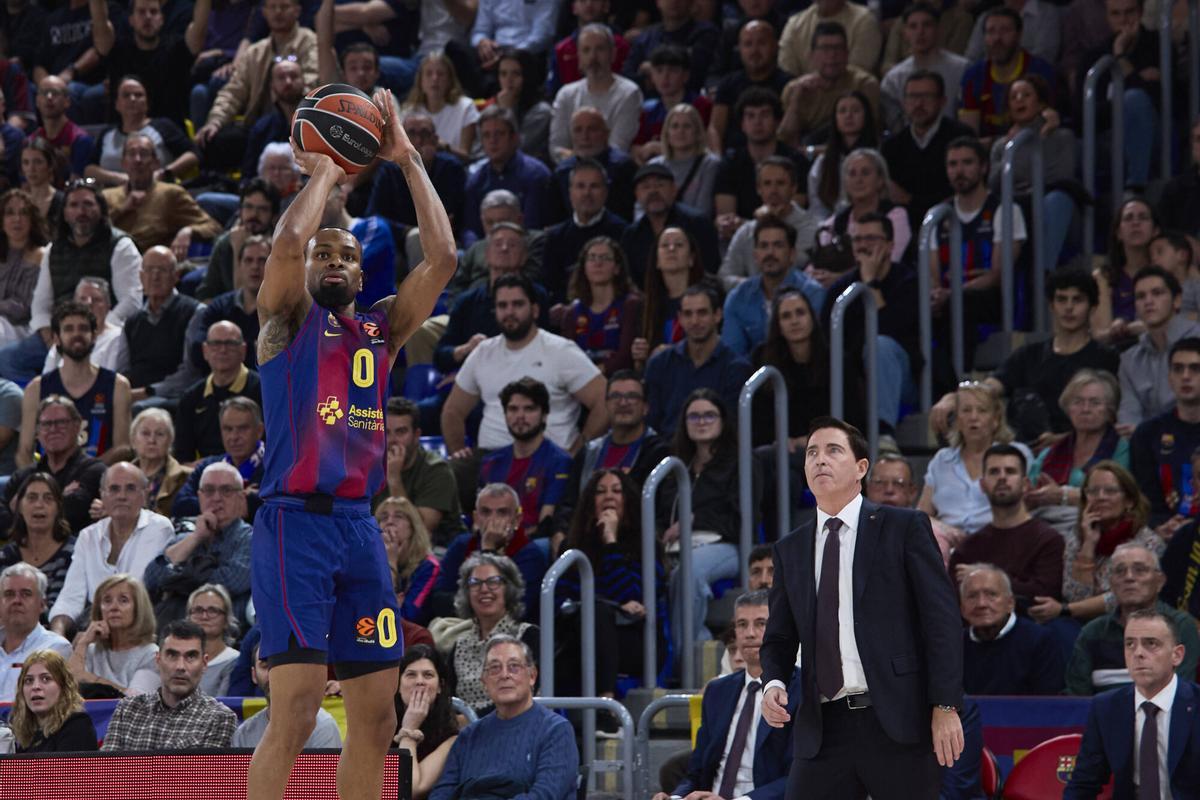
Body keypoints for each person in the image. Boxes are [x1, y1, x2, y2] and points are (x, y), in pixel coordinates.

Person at [246, 85, 456, 800]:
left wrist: (407, 158)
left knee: (375, 717)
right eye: (323, 254)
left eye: (345, 254)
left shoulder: (380, 329)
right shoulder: (283, 320)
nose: (332, 260)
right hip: (293, 526)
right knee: (297, 711)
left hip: (360, 528)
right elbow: (286, 244)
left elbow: (444, 258)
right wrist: (327, 172)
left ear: (362, 274)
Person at [760, 417, 964, 796]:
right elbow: (779, 637)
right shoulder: (790, 548)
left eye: (833, 450)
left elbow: (942, 622)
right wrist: (773, 682)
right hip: (824, 727)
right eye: (812, 453)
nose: (820, 459)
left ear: (861, 468)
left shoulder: (904, 527)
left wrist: (946, 706)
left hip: (897, 719)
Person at [930, 269, 1119, 441]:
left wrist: (1060, 440)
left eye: (1077, 300)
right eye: (1061, 299)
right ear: (1051, 306)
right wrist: (954, 397)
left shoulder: (1106, 358)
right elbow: (990, 387)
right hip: (1028, 449)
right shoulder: (1029, 354)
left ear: (1092, 308)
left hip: (1081, 445)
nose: (1068, 307)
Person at [654, 590, 797, 800]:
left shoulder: (800, 690)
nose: (750, 633)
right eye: (742, 624)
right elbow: (696, 772)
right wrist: (676, 798)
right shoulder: (717, 691)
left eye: (761, 623)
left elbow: (796, 777)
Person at [441, 274, 607, 455]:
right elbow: (452, 411)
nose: (509, 312)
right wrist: (457, 452)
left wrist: (578, 452)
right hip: (490, 459)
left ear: (535, 310)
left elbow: (604, 400)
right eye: (502, 306)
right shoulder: (483, 352)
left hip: (548, 460)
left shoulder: (562, 351)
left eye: (517, 304)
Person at [0, 179, 142, 385]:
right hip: (57, 333)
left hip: (102, 333)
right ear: (65, 213)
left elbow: (131, 301)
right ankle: (42, 397)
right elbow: (41, 303)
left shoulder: (121, 246)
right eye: (74, 205)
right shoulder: (54, 249)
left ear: (101, 209)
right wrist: (48, 332)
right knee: (6, 359)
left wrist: (97, 330)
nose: (81, 211)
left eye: (88, 204)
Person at [1066, 608, 1200, 799]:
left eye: (1151, 643)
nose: (1138, 653)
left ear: (1177, 655)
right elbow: (1084, 783)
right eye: (1130, 644)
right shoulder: (1106, 707)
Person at [429, 635, 578, 800]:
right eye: (495, 668)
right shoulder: (469, 735)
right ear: (484, 682)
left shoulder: (556, 731)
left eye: (514, 666)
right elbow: (441, 793)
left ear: (532, 676)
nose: (504, 675)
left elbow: (545, 795)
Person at [558, 468, 665, 695]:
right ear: (590, 503)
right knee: (590, 617)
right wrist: (613, 604)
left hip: (634, 638)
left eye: (616, 491)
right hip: (581, 636)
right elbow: (564, 599)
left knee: (597, 613)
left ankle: (606, 703)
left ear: (628, 501)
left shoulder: (646, 545)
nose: (608, 496)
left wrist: (610, 541)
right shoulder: (572, 547)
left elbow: (635, 596)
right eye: (600, 491)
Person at [659, 390, 751, 654]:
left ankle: (686, 658)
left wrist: (694, 520)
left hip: (728, 545)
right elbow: (661, 513)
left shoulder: (741, 462)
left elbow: (743, 518)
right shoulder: (675, 467)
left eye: (709, 415)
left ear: (723, 421)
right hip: (676, 546)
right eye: (694, 416)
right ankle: (690, 651)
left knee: (689, 570)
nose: (701, 421)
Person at [1028, 461, 1163, 627]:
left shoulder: (1147, 543)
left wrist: (1065, 609)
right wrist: (1088, 547)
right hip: (1082, 623)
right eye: (1093, 491)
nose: (1101, 497)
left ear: (1129, 501)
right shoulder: (1077, 537)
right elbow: (1075, 597)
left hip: (1130, 623)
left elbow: (1124, 597)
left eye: (1110, 491)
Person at [47, 462, 173, 636]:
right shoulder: (88, 536)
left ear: (145, 494)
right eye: (114, 489)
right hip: (94, 628)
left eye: (130, 488)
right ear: (102, 495)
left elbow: (135, 588)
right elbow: (71, 597)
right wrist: (56, 637)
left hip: (139, 631)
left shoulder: (159, 527)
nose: (121, 496)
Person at [823, 212, 922, 431]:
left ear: (890, 246)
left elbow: (889, 329)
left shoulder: (909, 282)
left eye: (871, 239)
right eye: (857, 239)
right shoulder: (839, 290)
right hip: (856, 382)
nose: (863, 246)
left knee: (879, 345)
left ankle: (883, 433)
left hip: (903, 379)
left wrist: (870, 283)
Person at [193, 0, 318, 170]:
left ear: (297, 11)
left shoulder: (310, 42)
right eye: (272, 7)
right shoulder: (256, 51)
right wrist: (215, 121)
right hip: (257, 125)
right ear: (264, 12)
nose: (278, 12)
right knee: (211, 140)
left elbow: (312, 81)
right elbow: (233, 91)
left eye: (284, 7)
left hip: (293, 123)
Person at [551, 370, 670, 543]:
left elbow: (661, 514)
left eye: (632, 396)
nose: (623, 403)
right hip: (585, 539)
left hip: (634, 542)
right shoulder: (589, 452)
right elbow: (568, 503)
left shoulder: (660, 454)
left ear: (645, 407)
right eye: (616, 396)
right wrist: (560, 532)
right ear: (606, 405)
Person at [1065, 543, 1200, 695]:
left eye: (1140, 570)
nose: (1129, 577)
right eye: (1120, 571)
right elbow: (1076, 696)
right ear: (1111, 584)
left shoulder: (1180, 626)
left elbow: (1179, 693)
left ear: (1160, 581)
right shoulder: (1093, 632)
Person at [18, 300, 132, 463]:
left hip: (99, 475)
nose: (76, 334)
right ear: (56, 338)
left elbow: (123, 448)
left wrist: (87, 472)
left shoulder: (118, 386)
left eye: (83, 328)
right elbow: (24, 451)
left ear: (94, 336)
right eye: (68, 329)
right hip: (50, 476)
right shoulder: (36, 388)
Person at [946, 444, 1065, 599]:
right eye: (994, 472)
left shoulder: (1048, 541)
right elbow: (951, 599)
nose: (1002, 477)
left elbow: (1044, 596)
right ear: (982, 485)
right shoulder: (968, 548)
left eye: (1010, 471)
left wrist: (985, 575)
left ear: (1025, 485)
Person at [144, 461, 252, 628]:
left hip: (225, 634)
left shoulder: (250, 538)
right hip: (174, 631)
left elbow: (230, 582)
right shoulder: (185, 535)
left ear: (240, 497)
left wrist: (176, 580)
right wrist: (196, 538)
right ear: (199, 497)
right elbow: (152, 577)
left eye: (226, 490)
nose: (216, 498)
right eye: (209, 490)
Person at [100, 619, 238, 749]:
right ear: (158, 660)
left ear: (204, 663)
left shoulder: (220, 718)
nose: (180, 666)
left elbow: (204, 768)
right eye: (172, 655)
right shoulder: (127, 710)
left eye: (191, 656)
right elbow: (108, 766)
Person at [918, 381, 1033, 537]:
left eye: (982, 410)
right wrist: (943, 529)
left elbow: (1029, 509)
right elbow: (922, 515)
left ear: (995, 419)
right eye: (966, 410)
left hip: (999, 537)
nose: (973, 417)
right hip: (948, 540)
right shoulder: (942, 460)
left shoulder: (1016, 455)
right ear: (957, 420)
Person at [645, 285, 752, 437]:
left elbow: (731, 429)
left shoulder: (737, 368)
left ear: (717, 315)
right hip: (665, 448)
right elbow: (651, 423)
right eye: (688, 314)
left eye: (702, 313)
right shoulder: (660, 364)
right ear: (680, 318)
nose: (695, 321)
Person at [1025, 370, 1128, 526]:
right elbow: (1028, 495)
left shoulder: (1122, 450)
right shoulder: (1050, 453)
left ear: (1109, 410)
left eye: (1095, 403)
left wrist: (1063, 496)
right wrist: (1030, 496)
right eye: (1078, 402)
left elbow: (1121, 498)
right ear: (1068, 409)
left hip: (1100, 527)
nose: (1085, 409)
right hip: (1044, 526)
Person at [434, 485, 548, 622]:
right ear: (476, 518)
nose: (493, 520)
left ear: (517, 519)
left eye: (502, 513)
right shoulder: (461, 545)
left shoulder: (530, 556)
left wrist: (488, 548)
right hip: (458, 628)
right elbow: (437, 600)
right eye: (486, 512)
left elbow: (510, 610)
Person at [444, 553, 540, 715]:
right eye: (475, 583)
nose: (484, 589)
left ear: (508, 589)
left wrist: (473, 719)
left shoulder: (528, 636)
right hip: (464, 728)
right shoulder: (460, 645)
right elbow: (448, 699)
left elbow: (528, 695)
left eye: (493, 582)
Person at [478, 378, 572, 540]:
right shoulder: (490, 462)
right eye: (513, 409)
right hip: (490, 540)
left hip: (532, 543)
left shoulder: (559, 461)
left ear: (544, 415)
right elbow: (481, 516)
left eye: (529, 409)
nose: (520, 416)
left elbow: (546, 522)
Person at [712, 87, 812, 240]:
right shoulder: (730, 163)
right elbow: (726, 217)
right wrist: (728, 224)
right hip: (741, 239)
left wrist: (747, 225)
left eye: (764, 115)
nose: (757, 122)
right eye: (750, 116)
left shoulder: (796, 161)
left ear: (777, 122)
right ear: (742, 124)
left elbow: (790, 214)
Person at [0, 396, 107, 536]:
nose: (53, 429)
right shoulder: (23, 476)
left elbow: (74, 513)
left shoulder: (95, 471)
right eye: (46, 424)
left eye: (61, 422)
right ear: (38, 432)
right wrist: (61, 497)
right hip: (24, 547)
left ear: (77, 426)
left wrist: (22, 507)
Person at [100, 134, 222, 256]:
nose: (137, 160)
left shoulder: (171, 194)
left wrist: (188, 231)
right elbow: (92, 231)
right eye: (131, 154)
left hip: (152, 262)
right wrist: (121, 209)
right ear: (123, 163)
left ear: (156, 163)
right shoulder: (107, 196)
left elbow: (213, 227)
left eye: (144, 154)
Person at [881, 70, 973, 229]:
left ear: (942, 101)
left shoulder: (961, 137)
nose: (918, 104)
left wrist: (911, 200)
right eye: (912, 97)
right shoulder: (892, 147)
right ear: (904, 102)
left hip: (952, 224)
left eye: (927, 97)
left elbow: (961, 192)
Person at [723, 215, 826, 355]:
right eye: (764, 246)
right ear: (755, 255)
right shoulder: (738, 298)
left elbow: (816, 350)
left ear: (792, 254)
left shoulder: (813, 294)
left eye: (778, 245)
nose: (770, 253)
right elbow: (733, 355)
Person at [959, 565, 1065, 694]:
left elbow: (1048, 700)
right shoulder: (953, 646)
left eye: (991, 595)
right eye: (972, 596)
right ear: (962, 609)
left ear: (1010, 603)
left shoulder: (1040, 641)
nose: (981, 604)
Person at [1130, 339, 1200, 527]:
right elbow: (1144, 499)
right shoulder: (1147, 434)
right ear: (1169, 378)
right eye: (1178, 369)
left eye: (1195, 369)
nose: (1186, 376)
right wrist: (1162, 526)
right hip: (1165, 532)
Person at [719, 156, 822, 285]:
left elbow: (781, 270)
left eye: (780, 183)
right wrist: (753, 289)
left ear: (793, 188)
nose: (773, 191)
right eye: (767, 184)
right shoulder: (746, 232)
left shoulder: (811, 228)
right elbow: (725, 276)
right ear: (759, 189)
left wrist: (770, 221)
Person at [379, 397, 464, 549]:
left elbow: (419, 531)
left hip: (437, 549)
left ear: (416, 435)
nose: (392, 440)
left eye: (401, 432)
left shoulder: (437, 470)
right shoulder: (370, 467)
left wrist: (394, 478)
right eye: (386, 432)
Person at [958, 7, 1056, 139]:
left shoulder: (1040, 71)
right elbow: (969, 135)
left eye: (1005, 31)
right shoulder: (973, 76)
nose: (997, 38)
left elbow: (1049, 120)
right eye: (991, 31)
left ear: (1019, 35)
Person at [82, 76, 198, 188]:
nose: (132, 99)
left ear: (147, 103)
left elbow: (194, 154)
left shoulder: (163, 127)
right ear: (117, 104)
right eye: (126, 95)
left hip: (156, 191)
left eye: (138, 95)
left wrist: (164, 173)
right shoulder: (107, 133)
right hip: (112, 195)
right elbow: (89, 170)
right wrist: (118, 179)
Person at [548, 236, 643, 372]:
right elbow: (567, 358)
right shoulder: (572, 313)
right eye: (592, 258)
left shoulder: (630, 305)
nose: (598, 263)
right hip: (581, 380)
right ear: (584, 268)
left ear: (617, 268)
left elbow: (626, 355)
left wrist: (594, 374)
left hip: (619, 378)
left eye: (605, 258)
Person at [550, 24, 643, 163]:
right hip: (572, 170)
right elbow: (557, 147)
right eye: (586, 50)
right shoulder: (566, 94)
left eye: (600, 49)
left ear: (613, 54)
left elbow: (617, 147)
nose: (593, 57)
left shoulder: (629, 93)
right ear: (579, 56)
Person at [778, 23, 880, 148]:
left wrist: (816, 151)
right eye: (825, 49)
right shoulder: (795, 88)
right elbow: (785, 138)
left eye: (838, 48)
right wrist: (796, 100)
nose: (832, 55)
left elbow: (871, 135)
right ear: (812, 55)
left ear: (847, 54)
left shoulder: (864, 84)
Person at [175, 322, 263, 462]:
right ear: (205, 351)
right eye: (216, 344)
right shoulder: (190, 398)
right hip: (203, 472)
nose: (223, 350)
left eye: (230, 343)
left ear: (243, 350)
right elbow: (183, 457)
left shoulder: (263, 390)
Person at [542, 162, 629, 302]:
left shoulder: (623, 233)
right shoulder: (555, 237)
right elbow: (550, 285)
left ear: (605, 192)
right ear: (570, 192)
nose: (587, 193)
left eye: (594, 186)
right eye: (580, 186)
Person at [462, 106, 551, 241]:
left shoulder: (536, 175)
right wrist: (475, 249)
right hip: (486, 248)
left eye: (499, 134)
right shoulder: (476, 181)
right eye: (486, 135)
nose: (493, 141)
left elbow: (533, 227)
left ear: (514, 137)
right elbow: (471, 228)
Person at [622, 162, 720, 284]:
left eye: (660, 185)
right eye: (646, 187)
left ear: (674, 190)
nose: (653, 191)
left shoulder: (698, 224)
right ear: (636, 195)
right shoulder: (632, 235)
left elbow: (710, 269)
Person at [232, 641, 342, 749]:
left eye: (280, 665)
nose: (273, 674)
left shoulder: (323, 726)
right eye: (265, 666)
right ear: (254, 675)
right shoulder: (243, 734)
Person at [170, 397, 265, 518]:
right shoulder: (208, 466)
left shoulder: (274, 468)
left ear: (259, 431)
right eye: (228, 429)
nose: (234, 437)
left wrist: (208, 501)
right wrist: (238, 501)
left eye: (242, 429)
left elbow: (271, 507)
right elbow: (179, 505)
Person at [879, 5, 968, 134]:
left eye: (927, 25)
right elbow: (896, 127)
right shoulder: (893, 79)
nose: (920, 32)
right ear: (905, 33)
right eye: (913, 26)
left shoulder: (962, 69)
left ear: (938, 29)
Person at [67, 573, 160, 696]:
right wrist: (83, 642)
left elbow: (137, 700)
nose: (114, 607)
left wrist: (87, 677)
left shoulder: (151, 654)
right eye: (107, 600)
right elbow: (66, 689)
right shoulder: (90, 651)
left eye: (123, 600)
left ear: (139, 608)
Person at [705, 21, 789, 154]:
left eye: (761, 43)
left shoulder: (788, 84)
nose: (754, 51)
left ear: (775, 46)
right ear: (740, 49)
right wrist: (718, 158)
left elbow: (790, 131)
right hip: (733, 156)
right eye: (748, 44)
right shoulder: (728, 84)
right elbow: (715, 128)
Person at [818, 149, 911, 266]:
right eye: (852, 174)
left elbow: (891, 261)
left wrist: (840, 275)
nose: (858, 180)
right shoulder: (835, 223)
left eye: (865, 173)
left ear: (880, 180)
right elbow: (822, 262)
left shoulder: (896, 216)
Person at [393, 644, 459, 799]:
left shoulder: (452, 739)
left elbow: (409, 789)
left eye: (428, 675)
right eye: (411, 675)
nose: (419, 682)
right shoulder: (381, 726)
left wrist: (409, 730)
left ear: (440, 686)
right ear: (398, 685)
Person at [0, 476, 76, 611]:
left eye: (48, 499)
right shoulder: (6, 555)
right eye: (32, 498)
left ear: (58, 508)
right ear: (20, 507)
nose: (39, 505)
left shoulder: (73, 552)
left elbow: (64, 606)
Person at [0, 562, 73, 701]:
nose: (16, 600)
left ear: (42, 604)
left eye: (26, 594)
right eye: (9, 594)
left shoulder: (55, 648)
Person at [196, 181, 280, 301]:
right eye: (248, 207)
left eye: (262, 209)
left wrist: (238, 249)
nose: (254, 215)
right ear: (240, 212)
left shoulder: (280, 248)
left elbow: (248, 302)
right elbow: (206, 293)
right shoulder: (225, 243)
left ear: (274, 216)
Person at [635, 226, 707, 364]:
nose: (671, 249)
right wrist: (641, 354)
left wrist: (671, 352)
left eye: (679, 244)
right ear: (657, 261)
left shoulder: (707, 297)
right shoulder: (647, 306)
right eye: (665, 245)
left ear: (691, 258)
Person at [1094, 197, 1161, 341]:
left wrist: (1130, 328)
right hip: (1117, 350)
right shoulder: (1103, 276)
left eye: (1143, 217)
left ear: (1155, 231)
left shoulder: (1167, 273)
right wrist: (1131, 329)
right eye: (1128, 218)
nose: (1135, 223)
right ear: (1118, 232)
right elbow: (1100, 335)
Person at [806, 91, 879, 220]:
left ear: (866, 116)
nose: (848, 115)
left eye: (855, 110)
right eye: (842, 111)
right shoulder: (823, 161)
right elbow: (817, 208)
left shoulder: (877, 158)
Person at [9, 649, 98, 752]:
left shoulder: (77, 725)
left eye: (45, 679)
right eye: (29, 680)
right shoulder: (23, 734)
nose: (35, 686)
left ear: (63, 686)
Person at [41, 277, 130, 376]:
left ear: (108, 305)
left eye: (96, 299)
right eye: (83, 299)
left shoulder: (117, 337)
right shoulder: (65, 337)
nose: (89, 304)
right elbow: (47, 376)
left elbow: (110, 377)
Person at [647, 103, 722, 218]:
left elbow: (703, 210)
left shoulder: (710, 164)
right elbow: (642, 206)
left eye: (687, 126)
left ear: (697, 132)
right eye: (675, 126)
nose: (680, 131)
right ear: (667, 133)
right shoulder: (653, 165)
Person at [402, 53, 479, 163]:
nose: (435, 78)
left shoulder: (465, 107)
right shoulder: (409, 111)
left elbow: (466, 156)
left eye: (441, 74)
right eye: (429, 74)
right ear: (420, 81)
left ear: (449, 80)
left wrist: (444, 147)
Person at [377, 497, 441, 626]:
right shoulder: (366, 563)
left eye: (398, 516)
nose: (389, 522)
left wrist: (390, 563)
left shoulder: (429, 567)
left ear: (413, 528)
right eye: (383, 518)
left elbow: (406, 617)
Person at [482, 48, 553, 164]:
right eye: (503, 74)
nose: (508, 80)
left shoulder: (541, 112)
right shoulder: (493, 107)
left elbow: (517, 147)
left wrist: (506, 111)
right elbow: (482, 147)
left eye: (516, 74)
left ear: (527, 76)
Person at [779, 0, 881, 76]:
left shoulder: (864, 20)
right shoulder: (794, 24)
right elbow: (786, 72)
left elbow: (857, 74)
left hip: (850, 94)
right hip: (803, 93)